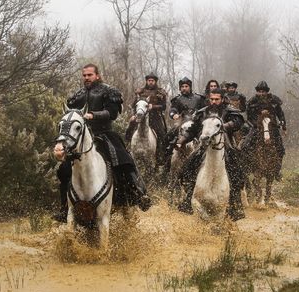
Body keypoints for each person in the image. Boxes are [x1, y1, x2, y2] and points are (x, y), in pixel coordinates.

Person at [53, 64, 152, 222]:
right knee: (63, 169)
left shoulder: (108, 91)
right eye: (84, 75)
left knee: (123, 159)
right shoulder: (78, 95)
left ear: (97, 75)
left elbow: (111, 113)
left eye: (90, 75)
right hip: (81, 138)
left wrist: (93, 115)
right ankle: (64, 208)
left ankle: (139, 193)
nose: (86, 78)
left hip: (103, 134)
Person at [175, 88, 247, 220]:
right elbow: (192, 129)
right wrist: (181, 140)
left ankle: (235, 206)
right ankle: (188, 199)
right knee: (188, 167)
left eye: (217, 99)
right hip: (204, 147)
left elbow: (239, 122)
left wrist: (225, 126)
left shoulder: (229, 111)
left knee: (236, 171)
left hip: (225, 145)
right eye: (212, 99)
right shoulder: (203, 112)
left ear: (222, 99)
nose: (214, 102)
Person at [162, 77, 208, 172]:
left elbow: (205, 110)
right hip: (181, 123)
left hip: (197, 124)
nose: (184, 88)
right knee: (168, 137)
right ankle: (166, 163)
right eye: (182, 86)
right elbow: (173, 109)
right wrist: (173, 114)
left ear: (190, 87)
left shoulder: (199, 98)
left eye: (186, 86)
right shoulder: (177, 99)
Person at [244, 81, 287, 179]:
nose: (262, 93)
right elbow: (249, 117)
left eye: (263, 91)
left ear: (267, 91)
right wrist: (257, 125)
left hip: (272, 127)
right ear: (257, 92)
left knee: (280, 148)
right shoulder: (252, 102)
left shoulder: (274, 101)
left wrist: (283, 126)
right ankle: (249, 167)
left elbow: (280, 114)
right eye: (260, 91)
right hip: (257, 127)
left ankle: (277, 170)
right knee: (246, 145)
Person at [124, 73, 168, 165]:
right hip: (140, 115)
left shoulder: (160, 92)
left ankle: (160, 157)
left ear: (155, 82)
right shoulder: (140, 92)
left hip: (155, 117)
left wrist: (153, 106)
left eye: (152, 81)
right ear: (146, 81)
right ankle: (127, 148)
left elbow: (163, 106)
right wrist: (133, 115)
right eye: (149, 80)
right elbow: (133, 105)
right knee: (130, 128)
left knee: (162, 134)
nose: (150, 82)